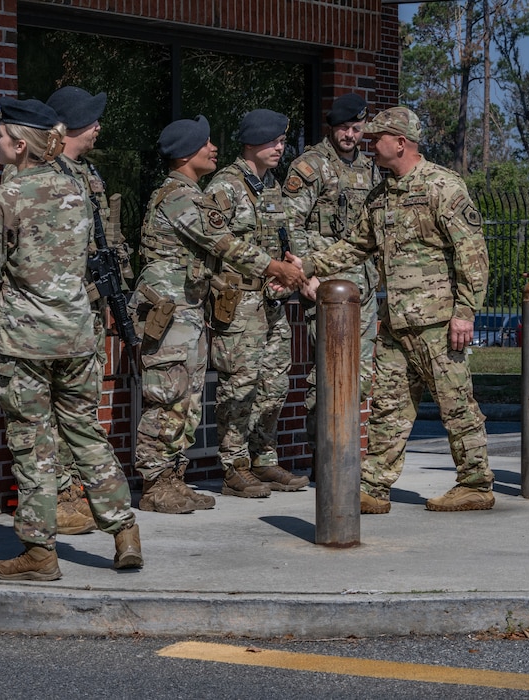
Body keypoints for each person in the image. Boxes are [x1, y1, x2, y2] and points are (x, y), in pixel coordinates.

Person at [0, 96, 142, 581]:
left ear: (20, 146)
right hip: (77, 335)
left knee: (33, 445)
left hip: (23, 341)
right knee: (86, 433)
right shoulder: (77, 194)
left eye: (1, 136)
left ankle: (40, 554)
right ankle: (125, 533)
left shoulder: (0, 199)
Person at [292, 107, 494, 513]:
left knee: (456, 403)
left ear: (400, 142)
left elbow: (473, 255)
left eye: (377, 137)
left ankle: (475, 483)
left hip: (437, 322)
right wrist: (307, 266)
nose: (369, 143)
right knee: (387, 405)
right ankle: (374, 486)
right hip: (397, 322)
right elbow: (355, 245)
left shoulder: (443, 187)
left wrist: (465, 313)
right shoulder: (381, 195)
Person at [131, 115, 307, 514]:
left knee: (187, 398)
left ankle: (174, 478)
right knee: (168, 396)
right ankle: (156, 483)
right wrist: (276, 268)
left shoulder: (192, 193)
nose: (214, 149)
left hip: (188, 306)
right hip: (170, 307)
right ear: (187, 154)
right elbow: (225, 243)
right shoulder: (180, 197)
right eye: (206, 144)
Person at [43, 85, 135, 535]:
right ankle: (59, 495)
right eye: (92, 119)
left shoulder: (87, 173)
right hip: (59, 310)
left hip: (91, 306)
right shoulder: (45, 173)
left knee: (82, 402)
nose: (99, 126)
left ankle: (75, 488)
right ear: (72, 124)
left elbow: (106, 238)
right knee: (57, 405)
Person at [204, 109, 310, 498]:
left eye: (282, 141)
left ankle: (264, 458)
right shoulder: (225, 186)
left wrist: (292, 263)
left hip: (271, 301)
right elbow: (218, 242)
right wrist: (272, 266)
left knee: (274, 383)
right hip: (238, 301)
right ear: (252, 143)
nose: (280, 147)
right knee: (239, 385)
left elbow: (284, 234)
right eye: (273, 141)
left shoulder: (270, 185)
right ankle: (234, 467)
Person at [282, 93, 380, 451]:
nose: (350, 135)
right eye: (344, 128)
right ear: (332, 127)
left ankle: (345, 447)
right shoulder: (311, 166)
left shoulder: (367, 169)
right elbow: (289, 226)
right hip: (326, 285)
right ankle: (324, 451)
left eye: (356, 128)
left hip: (363, 288)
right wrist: (307, 279)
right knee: (329, 368)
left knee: (360, 372)